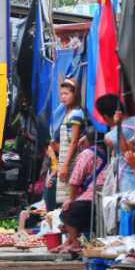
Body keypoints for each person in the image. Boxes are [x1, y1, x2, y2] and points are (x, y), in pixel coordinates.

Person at [54, 127, 107, 254]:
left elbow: (76, 179)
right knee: (73, 210)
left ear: (87, 141)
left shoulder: (87, 154)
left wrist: (71, 199)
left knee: (67, 211)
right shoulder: (107, 152)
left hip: (91, 198)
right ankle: (68, 241)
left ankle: (75, 244)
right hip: (102, 197)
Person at [52, 78, 84, 208]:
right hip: (66, 161)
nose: (63, 97)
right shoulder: (69, 113)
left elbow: (74, 142)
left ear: (74, 94)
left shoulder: (76, 114)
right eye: (62, 94)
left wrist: (65, 166)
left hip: (71, 163)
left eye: (67, 93)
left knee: (69, 198)